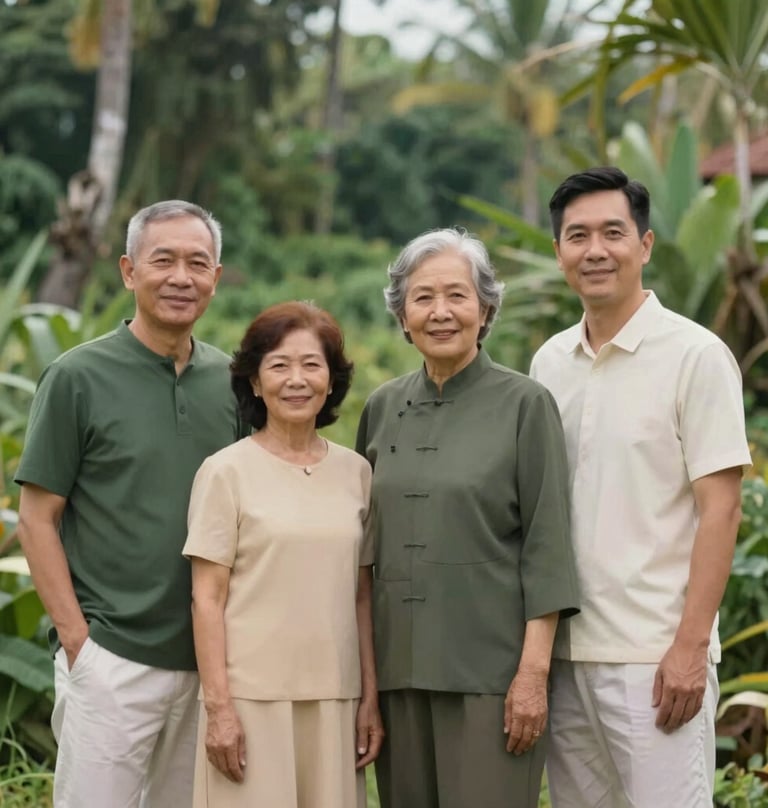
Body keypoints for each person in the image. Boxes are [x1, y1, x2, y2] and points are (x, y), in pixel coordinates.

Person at [530, 166, 751, 808]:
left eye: (612, 233)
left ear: (645, 245)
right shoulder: (549, 362)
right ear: (559, 252)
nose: (595, 250)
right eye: (577, 236)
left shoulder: (696, 356)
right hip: (568, 658)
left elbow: (722, 507)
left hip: (656, 662)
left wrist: (688, 648)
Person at [15, 200, 246, 808]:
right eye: (162, 260)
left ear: (216, 278)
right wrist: (78, 642)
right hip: (111, 659)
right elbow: (38, 518)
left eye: (198, 263)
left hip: (208, 665)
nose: (181, 277)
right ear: (128, 271)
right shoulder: (76, 378)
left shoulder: (233, 383)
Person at [355, 228, 580, 808]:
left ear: (485, 309)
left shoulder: (526, 404)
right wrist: (367, 688)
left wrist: (532, 677)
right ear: (402, 316)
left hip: (491, 678)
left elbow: (548, 546)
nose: (440, 312)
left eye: (457, 296)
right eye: (423, 297)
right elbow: (364, 551)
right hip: (398, 674)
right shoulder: (381, 407)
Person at [183, 301, 383, 808]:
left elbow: (362, 596)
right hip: (251, 702)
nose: (297, 380)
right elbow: (207, 599)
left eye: (312, 365)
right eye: (279, 366)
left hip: (336, 698)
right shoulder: (224, 472)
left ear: (332, 381)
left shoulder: (357, 472)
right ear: (254, 382)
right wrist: (220, 708)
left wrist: (370, 699)